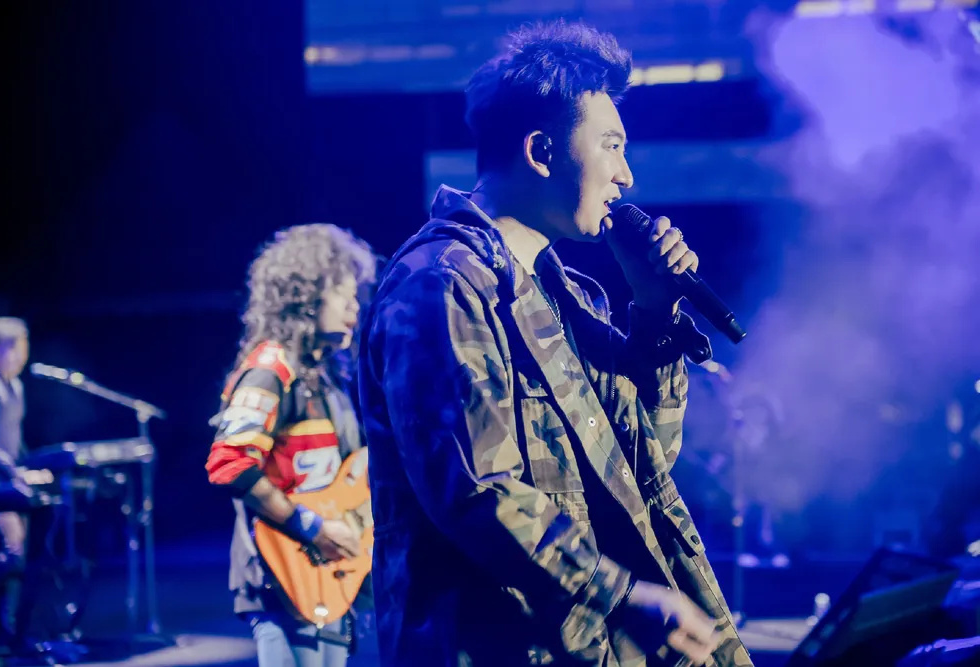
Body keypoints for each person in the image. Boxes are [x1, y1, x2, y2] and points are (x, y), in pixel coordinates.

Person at [359, 20, 751, 666]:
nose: (626, 176)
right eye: (611, 146)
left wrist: (655, 313)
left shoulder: (574, 300)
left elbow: (650, 458)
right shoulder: (442, 284)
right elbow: (477, 492)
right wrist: (625, 595)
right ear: (541, 151)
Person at [206, 224, 376, 667]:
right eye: (341, 293)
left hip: (328, 575)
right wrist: (313, 528)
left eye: (355, 295)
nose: (354, 306)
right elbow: (228, 463)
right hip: (281, 575)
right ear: (306, 295)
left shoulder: (331, 377)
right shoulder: (270, 369)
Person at [0, 317, 32, 648]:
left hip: (11, 482)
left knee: (17, 556)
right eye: (11, 349)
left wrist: (30, 466)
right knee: (9, 554)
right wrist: (12, 469)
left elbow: (15, 438)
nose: (17, 357)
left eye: (22, 350)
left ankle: (4, 628)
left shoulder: (17, 387)